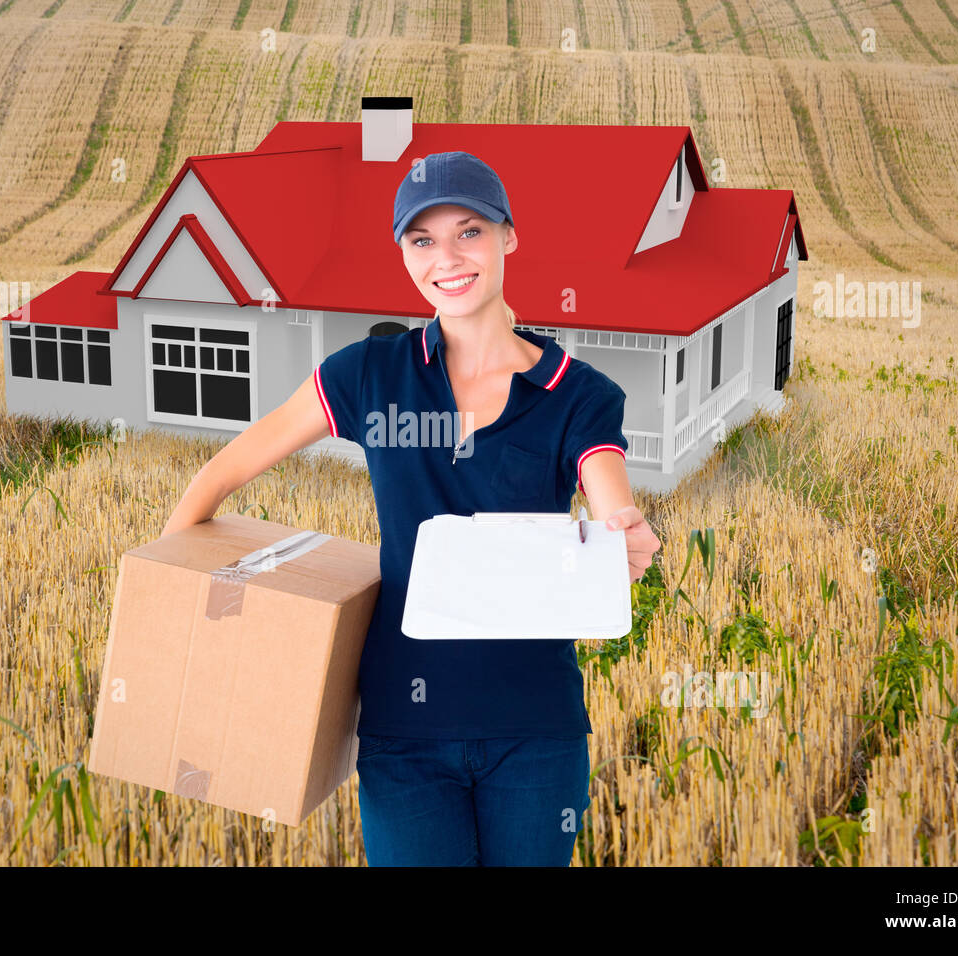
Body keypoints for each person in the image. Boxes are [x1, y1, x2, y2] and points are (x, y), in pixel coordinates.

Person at [161, 150, 661, 866]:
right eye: (422, 240)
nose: (447, 258)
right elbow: (222, 472)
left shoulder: (579, 395)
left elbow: (609, 497)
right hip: (404, 736)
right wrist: (173, 602)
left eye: (469, 232)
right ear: (402, 252)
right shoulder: (369, 373)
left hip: (536, 733)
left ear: (508, 237)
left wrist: (625, 541)